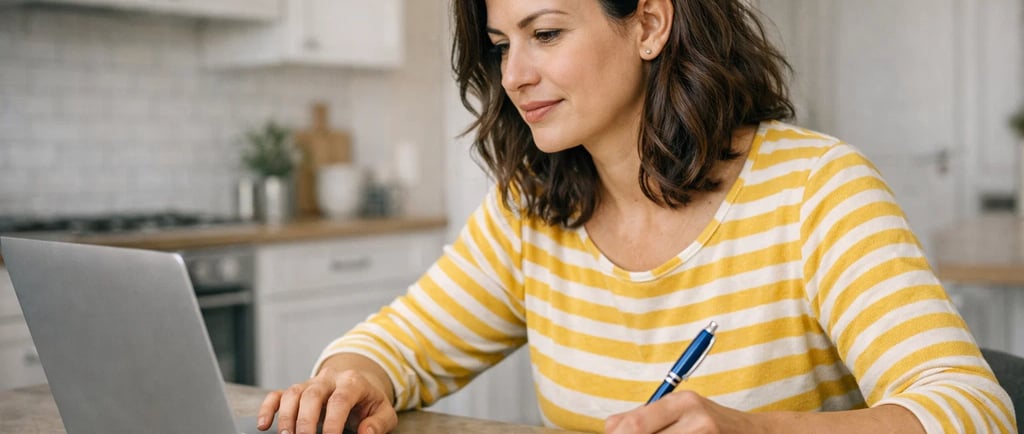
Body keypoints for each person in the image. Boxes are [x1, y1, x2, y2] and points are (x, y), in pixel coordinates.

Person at [258, 0, 1016, 433]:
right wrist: (348, 377)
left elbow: (970, 410)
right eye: (500, 45)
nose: (515, 75)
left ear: (650, 23)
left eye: (546, 33)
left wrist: (755, 431)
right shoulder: (532, 211)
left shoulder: (815, 190)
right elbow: (401, 344)